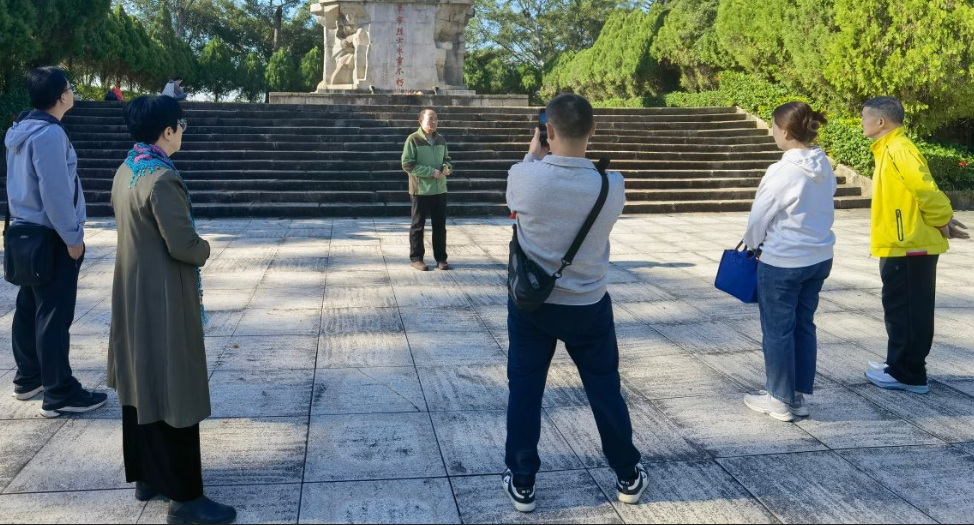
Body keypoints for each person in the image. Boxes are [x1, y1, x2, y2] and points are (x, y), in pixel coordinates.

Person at [503, 94, 646, 513]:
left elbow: (517, 203)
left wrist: (532, 156)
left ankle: (523, 480)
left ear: (547, 131)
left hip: (533, 307)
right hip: (588, 303)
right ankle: (627, 473)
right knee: (604, 388)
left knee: (525, 389)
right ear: (593, 130)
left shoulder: (524, 176)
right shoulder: (611, 184)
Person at [109, 96, 236, 524]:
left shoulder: (127, 169)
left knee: (142, 384)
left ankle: (148, 476)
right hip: (162, 297)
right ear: (167, 131)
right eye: (180, 125)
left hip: (133, 294)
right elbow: (183, 245)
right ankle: (185, 498)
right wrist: (206, 248)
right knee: (174, 386)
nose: (182, 131)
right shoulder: (162, 178)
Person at [4, 67, 107, 418]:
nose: (72, 92)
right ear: (62, 96)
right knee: (53, 313)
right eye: (70, 88)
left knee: (29, 306)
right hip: (50, 234)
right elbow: (56, 192)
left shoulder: (19, 130)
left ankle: (29, 377)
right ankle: (59, 392)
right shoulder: (49, 135)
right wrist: (73, 237)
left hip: (25, 231)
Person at [860, 96, 969, 394]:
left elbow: (925, 189)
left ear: (880, 121)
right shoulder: (889, 148)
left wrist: (943, 219)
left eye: (864, 117)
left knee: (908, 310)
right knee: (900, 308)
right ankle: (897, 363)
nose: (862, 123)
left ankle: (909, 374)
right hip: (901, 242)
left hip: (909, 243)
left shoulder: (899, 148)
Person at [742, 102, 837, 422]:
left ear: (784, 131)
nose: (772, 131)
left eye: (773, 125)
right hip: (819, 256)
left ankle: (780, 400)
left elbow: (759, 218)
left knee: (778, 330)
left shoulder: (782, 170)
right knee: (803, 326)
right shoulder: (824, 164)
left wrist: (752, 246)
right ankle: (796, 396)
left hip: (784, 260)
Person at [401, 108, 453, 271]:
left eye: (436, 118)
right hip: (420, 190)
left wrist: (447, 168)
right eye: (430, 118)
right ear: (420, 121)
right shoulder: (413, 139)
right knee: (418, 225)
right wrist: (431, 172)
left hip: (440, 189)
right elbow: (407, 164)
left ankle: (441, 258)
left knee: (440, 226)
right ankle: (416, 258)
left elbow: (447, 159)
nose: (434, 121)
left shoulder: (441, 139)